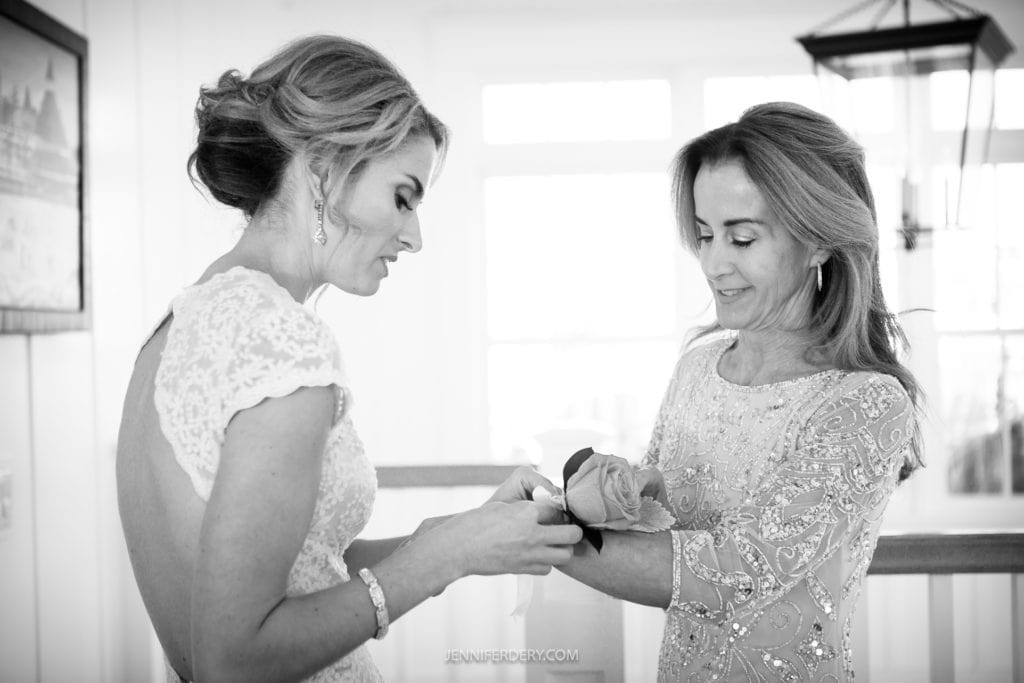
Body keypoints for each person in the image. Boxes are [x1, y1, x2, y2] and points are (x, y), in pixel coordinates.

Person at [115, 35, 581, 683]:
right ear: (323, 168)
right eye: (403, 195)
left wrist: (466, 534)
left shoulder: (177, 329)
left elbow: (301, 567)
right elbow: (234, 659)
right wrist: (441, 559)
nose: (415, 236)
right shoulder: (280, 343)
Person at [554, 102, 923, 681]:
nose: (713, 263)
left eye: (742, 239)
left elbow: (735, 571)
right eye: (704, 235)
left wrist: (537, 538)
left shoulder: (865, 403)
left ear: (820, 241)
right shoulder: (697, 370)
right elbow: (661, 522)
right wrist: (615, 494)